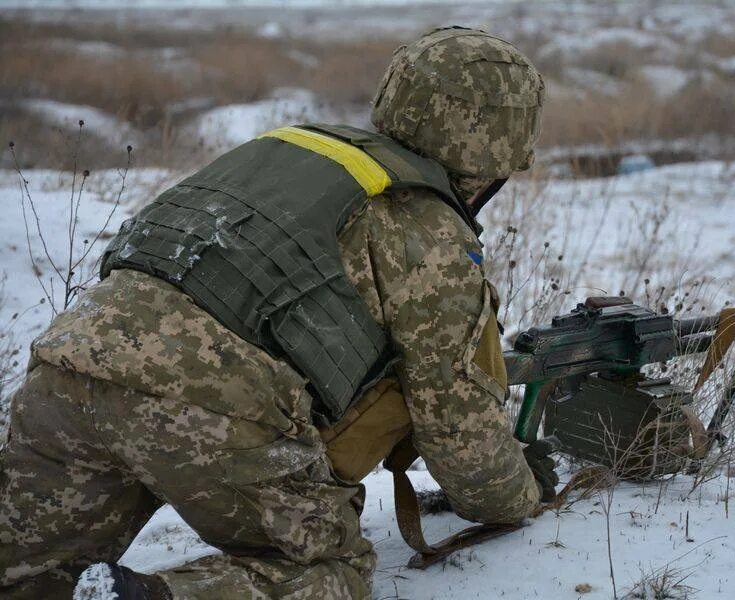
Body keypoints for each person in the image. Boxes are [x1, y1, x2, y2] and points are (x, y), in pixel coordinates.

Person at [0, 26, 556, 600]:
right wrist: (523, 493)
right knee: (324, 570)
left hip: (64, 374)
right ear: (500, 154)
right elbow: (458, 433)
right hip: (206, 411)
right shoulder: (428, 229)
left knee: (24, 580)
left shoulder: (285, 150)